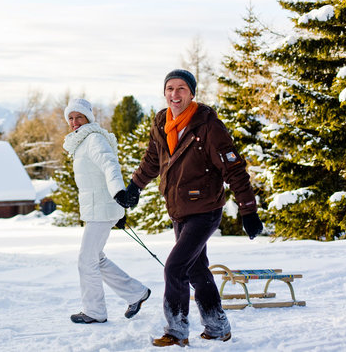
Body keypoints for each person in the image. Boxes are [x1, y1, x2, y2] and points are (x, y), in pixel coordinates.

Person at [115, 69, 263, 347]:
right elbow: (151, 160)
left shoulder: (207, 125)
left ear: (191, 93)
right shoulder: (162, 122)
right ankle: (218, 327)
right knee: (196, 270)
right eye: (170, 89)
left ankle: (177, 330)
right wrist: (134, 187)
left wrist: (248, 210)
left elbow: (234, 168)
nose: (175, 94)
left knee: (174, 268)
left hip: (205, 210)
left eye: (181, 88)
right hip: (179, 209)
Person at [63, 98, 151, 324]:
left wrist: (119, 195)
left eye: (78, 117)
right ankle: (136, 293)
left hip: (102, 208)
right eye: (70, 118)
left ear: (88, 118)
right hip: (99, 208)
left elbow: (109, 164)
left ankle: (94, 311)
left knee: (86, 260)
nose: (74, 122)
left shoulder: (93, 138)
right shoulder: (82, 141)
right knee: (96, 258)